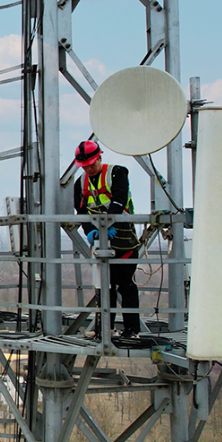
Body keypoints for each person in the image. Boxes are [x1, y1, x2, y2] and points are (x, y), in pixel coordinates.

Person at [72, 140, 141, 338]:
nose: (89, 169)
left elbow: (118, 201)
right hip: (101, 242)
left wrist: (111, 226)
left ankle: (131, 329)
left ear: (100, 158)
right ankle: (104, 329)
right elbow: (82, 211)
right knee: (104, 285)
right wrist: (89, 231)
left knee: (126, 284)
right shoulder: (80, 184)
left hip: (124, 239)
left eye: (91, 164)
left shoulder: (117, 173)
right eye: (85, 167)